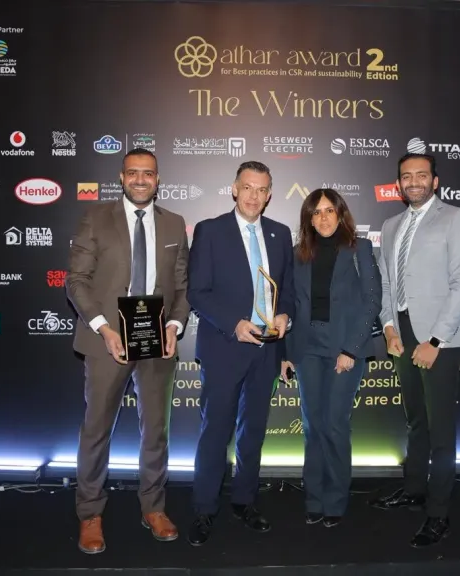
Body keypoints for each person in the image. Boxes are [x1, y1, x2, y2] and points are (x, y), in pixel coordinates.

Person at [66, 148, 190, 553]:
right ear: (121, 177)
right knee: (96, 429)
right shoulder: (96, 217)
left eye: (148, 173)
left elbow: (182, 286)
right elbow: (77, 280)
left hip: (156, 339)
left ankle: (153, 507)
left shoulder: (174, 223)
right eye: (133, 173)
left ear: (158, 179)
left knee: (156, 430)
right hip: (106, 339)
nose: (140, 180)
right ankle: (90, 512)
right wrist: (103, 328)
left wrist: (174, 326)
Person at [369, 152, 460, 548]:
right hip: (402, 337)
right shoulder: (391, 225)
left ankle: (438, 513)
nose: (413, 182)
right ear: (398, 183)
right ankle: (414, 488)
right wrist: (388, 328)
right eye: (406, 176)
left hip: (440, 341)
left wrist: (435, 341)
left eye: (421, 175)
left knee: (441, 430)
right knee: (416, 420)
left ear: (435, 181)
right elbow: (386, 284)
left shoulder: (456, 218)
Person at [185, 160, 295, 546]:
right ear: (234, 189)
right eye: (247, 187)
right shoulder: (210, 230)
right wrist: (234, 323)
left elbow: (289, 293)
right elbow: (197, 292)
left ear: (270, 195)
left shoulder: (280, 234)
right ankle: (204, 508)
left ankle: (245, 501)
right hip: (225, 347)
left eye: (261, 189)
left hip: (267, 350)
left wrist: (285, 317)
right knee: (215, 432)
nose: (253, 196)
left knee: (253, 433)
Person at [281, 189, 382, 528]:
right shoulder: (298, 254)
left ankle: (335, 500)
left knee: (335, 423)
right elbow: (291, 306)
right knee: (313, 425)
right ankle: (314, 498)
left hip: (344, 349)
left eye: (328, 210)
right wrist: (287, 354)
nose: (323, 218)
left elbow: (372, 301)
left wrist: (351, 349)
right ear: (308, 219)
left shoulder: (360, 248)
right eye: (316, 212)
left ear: (340, 213)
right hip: (307, 348)